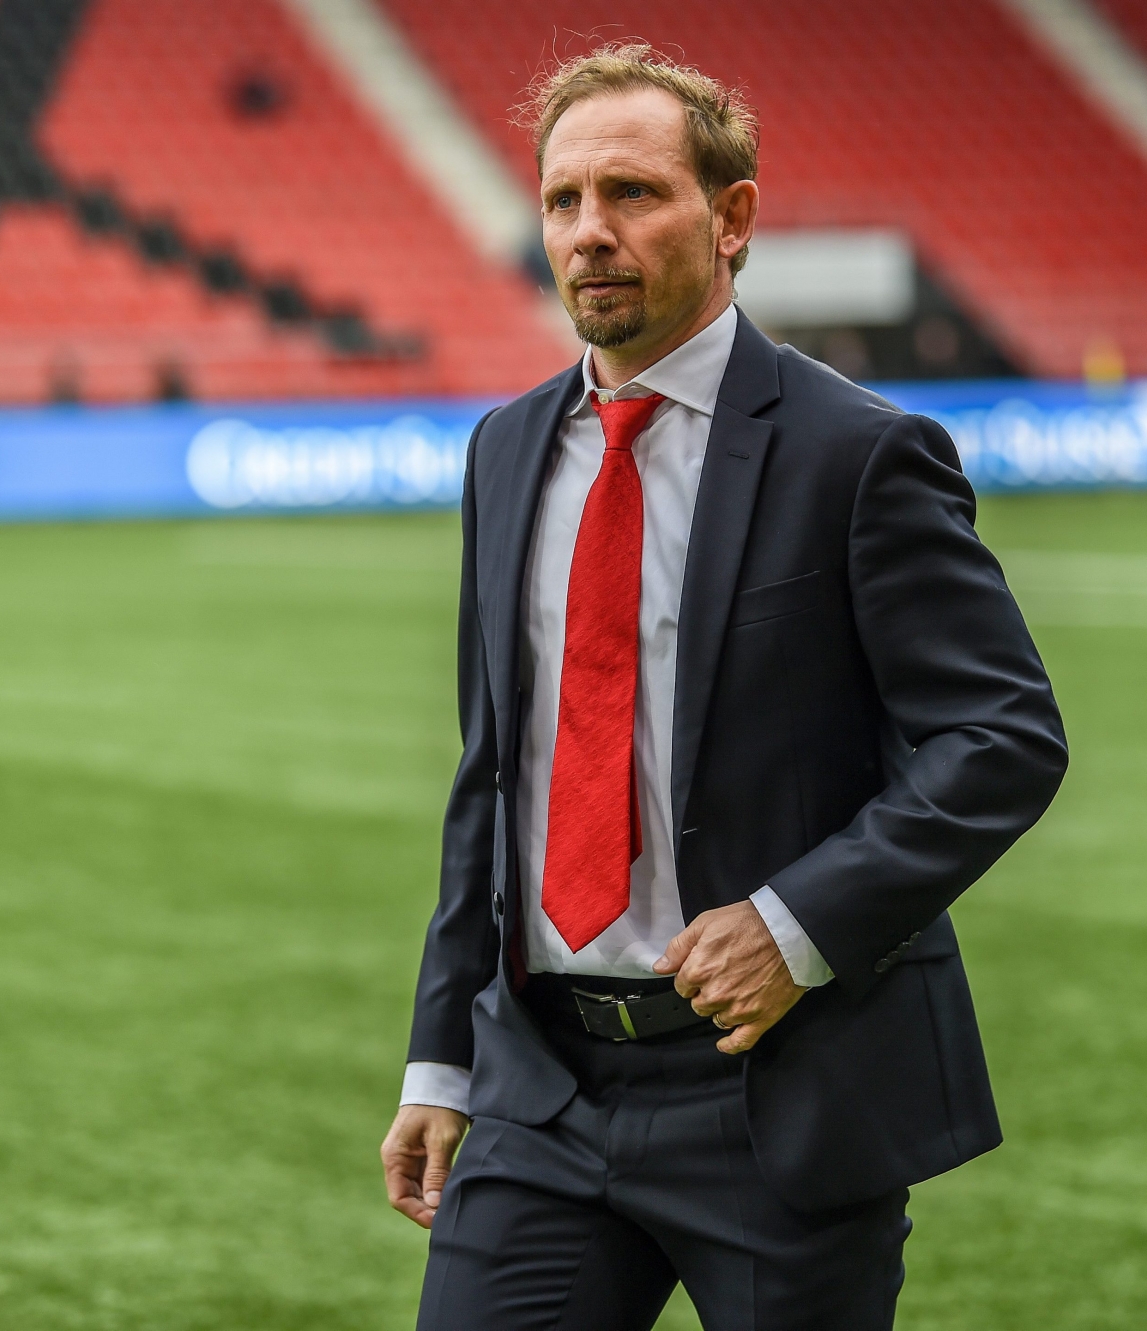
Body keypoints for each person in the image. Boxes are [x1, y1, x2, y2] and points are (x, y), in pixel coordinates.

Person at [381, 45, 1068, 1331]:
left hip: (779, 1090)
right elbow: (493, 773)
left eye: (632, 194)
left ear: (732, 217)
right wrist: (443, 1055)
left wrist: (793, 926)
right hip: (543, 1085)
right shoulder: (505, 448)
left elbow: (1000, 733)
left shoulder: (856, 454)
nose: (591, 234)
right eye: (562, 200)